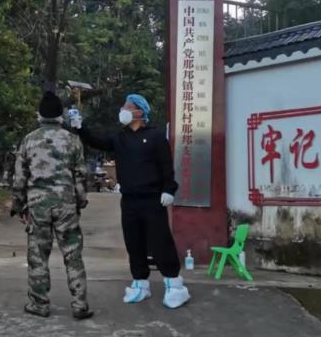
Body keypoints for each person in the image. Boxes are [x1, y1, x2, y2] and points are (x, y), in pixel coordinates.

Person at [70, 94, 190, 309]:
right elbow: (98, 142)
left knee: (160, 242)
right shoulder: (120, 138)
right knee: (134, 243)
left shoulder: (155, 136)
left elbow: (166, 166)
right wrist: (81, 127)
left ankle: (175, 285)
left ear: (140, 112)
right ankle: (140, 283)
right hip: (129, 200)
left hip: (153, 200)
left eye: (128, 107)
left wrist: (169, 189)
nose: (122, 110)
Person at [11, 91, 94, 320]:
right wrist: (80, 201)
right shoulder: (73, 140)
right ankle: (80, 305)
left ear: (39, 114)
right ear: (60, 115)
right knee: (73, 254)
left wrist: (18, 204)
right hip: (66, 204)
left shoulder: (29, 140)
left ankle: (39, 304)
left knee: (37, 255)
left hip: (37, 205)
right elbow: (80, 175)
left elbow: (20, 177)